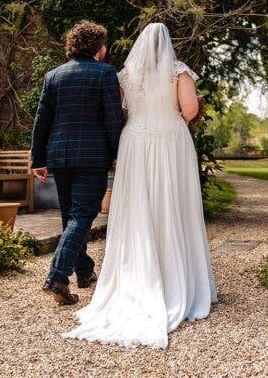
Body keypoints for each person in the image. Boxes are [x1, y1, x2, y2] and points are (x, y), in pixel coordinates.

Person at [62, 22, 217, 349]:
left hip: (134, 142)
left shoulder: (125, 74)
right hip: (170, 140)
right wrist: (172, 118)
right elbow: (190, 109)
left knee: (137, 207)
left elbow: (120, 112)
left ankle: (136, 279)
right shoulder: (178, 71)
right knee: (175, 204)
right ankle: (180, 278)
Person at [30, 20, 125, 306]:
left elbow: (41, 121)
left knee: (70, 216)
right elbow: (112, 118)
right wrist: (119, 152)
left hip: (59, 156)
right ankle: (57, 277)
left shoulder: (53, 75)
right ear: (98, 47)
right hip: (92, 157)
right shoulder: (105, 73)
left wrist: (38, 158)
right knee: (83, 215)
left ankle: (84, 272)